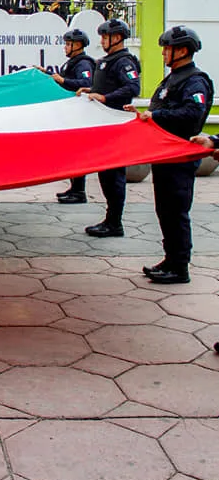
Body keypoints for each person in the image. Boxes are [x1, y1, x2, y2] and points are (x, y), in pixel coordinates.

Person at [126, 26, 213, 284]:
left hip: (179, 158)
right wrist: (143, 116)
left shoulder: (195, 80)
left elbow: (191, 115)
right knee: (164, 210)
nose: (163, 53)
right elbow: (162, 110)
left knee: (176, 212)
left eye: (168, 48)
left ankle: (180, 267)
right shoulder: (173, 78)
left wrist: (156, 116)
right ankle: (170, 259)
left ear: (183, 50)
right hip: (164, 155)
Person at [77, 19, 141, 237]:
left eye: (105, 37)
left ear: (117, 38)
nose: (102, 41)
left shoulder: (124, 62)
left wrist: (104, 97)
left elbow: (132, 87)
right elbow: (106, 86)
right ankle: (110, 219)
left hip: (115, 126)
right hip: (102, 125)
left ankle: (115, 222)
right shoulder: (107, 61)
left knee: (114, 176)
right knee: (105, 175)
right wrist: (91, 89)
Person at [53, 28, 96, 205]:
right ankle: (74, 188)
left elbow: (86, 83)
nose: (65, 47)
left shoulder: (83, 64)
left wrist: (63, 81)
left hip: (79, 116)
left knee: (77, 154)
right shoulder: (72, 62)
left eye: (68, 44)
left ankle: (79, 191)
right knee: (71, 153)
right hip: (70, 115)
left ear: (77, 45)